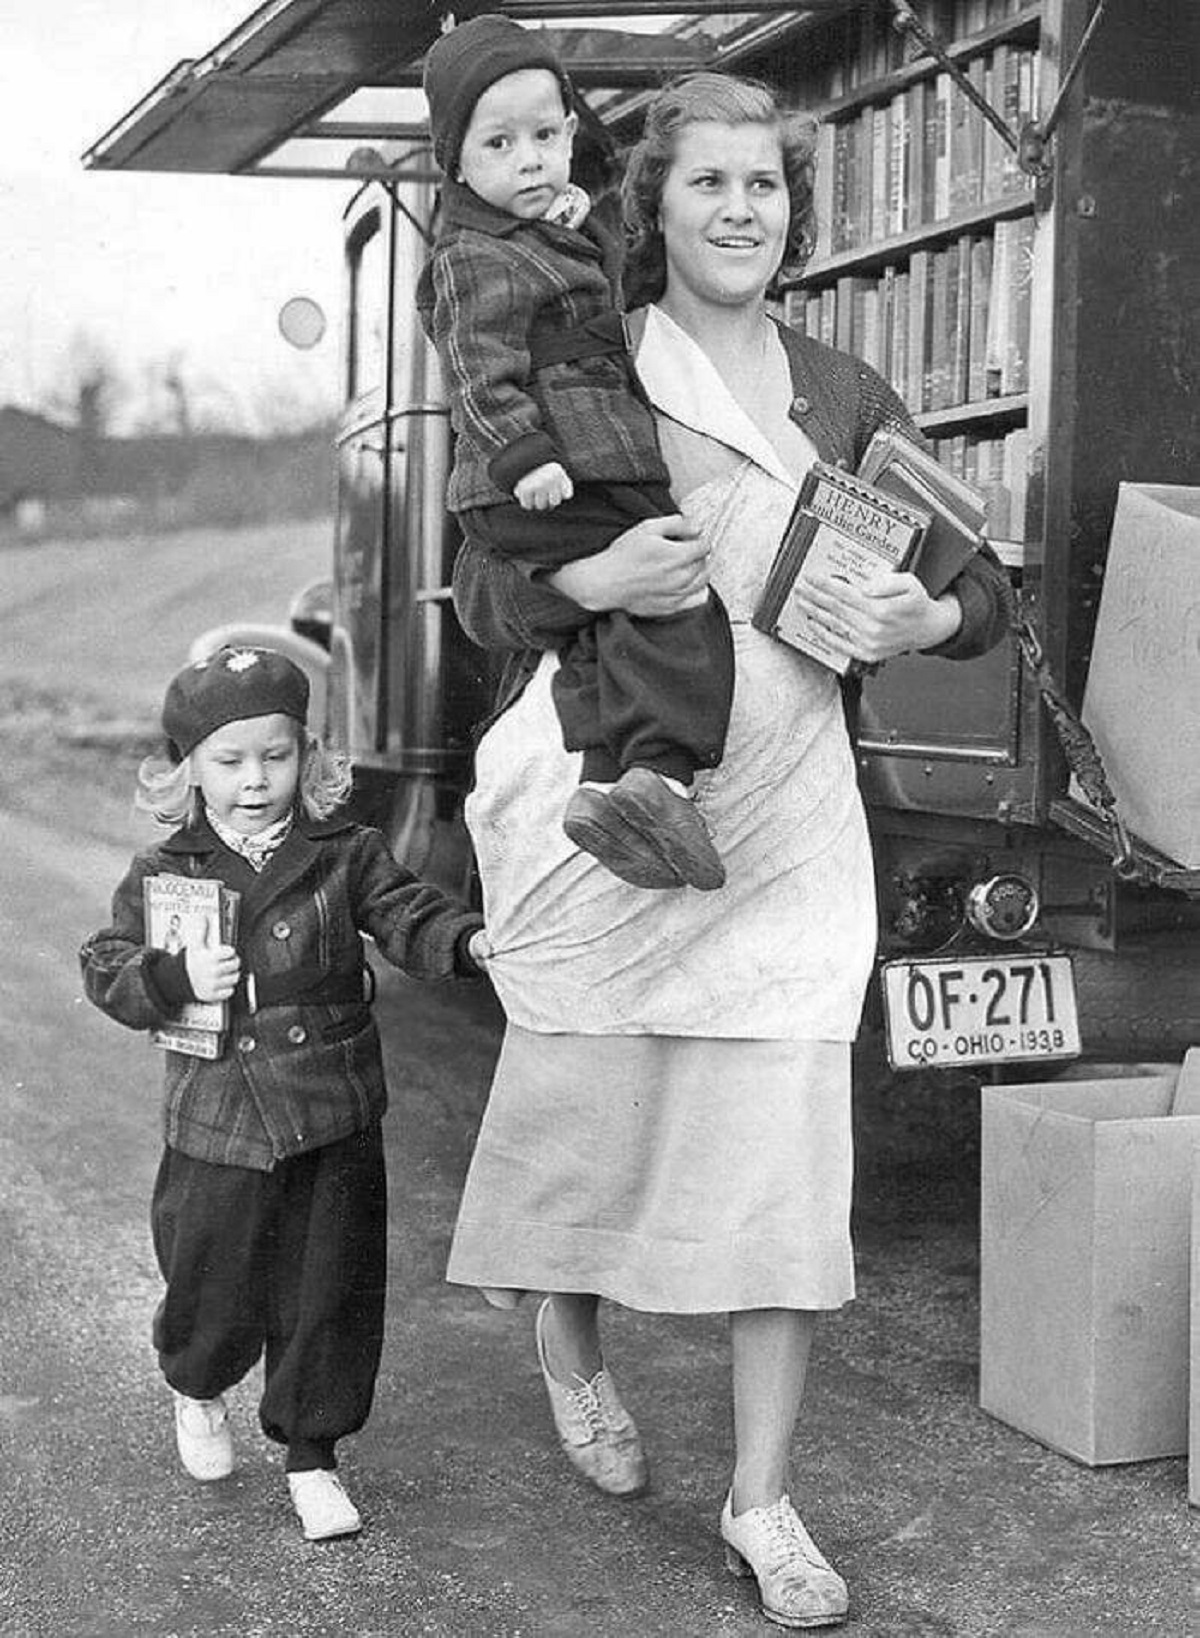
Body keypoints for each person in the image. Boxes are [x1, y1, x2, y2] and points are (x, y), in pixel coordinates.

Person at [446, 72, 1011, 1629]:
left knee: (781, 1172)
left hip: (787, 815)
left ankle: (762, 1496)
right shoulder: (586, 361)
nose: (741, 209)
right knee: (587, 1124)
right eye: (709, 184)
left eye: (765, 185)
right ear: (657, 207)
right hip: (613, 802)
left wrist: (929, 612)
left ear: (794, 214)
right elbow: (492, 592)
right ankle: (568, 1338)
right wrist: (597, 575)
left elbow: (990, 595)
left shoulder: (847, 395)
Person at [79, 645, 485, 1543]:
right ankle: (197, 1382)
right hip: (218, 1116)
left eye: (277, 755)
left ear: (309, 756)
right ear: (187, 770)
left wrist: (467, 944)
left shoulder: (347, 852)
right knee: (210, 1284)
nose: (255, 780)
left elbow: (408, 911)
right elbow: (105, 966)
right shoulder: (164, 868)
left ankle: (312, 1453)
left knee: (328, 1288)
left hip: (330, 1109)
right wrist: (173, 972)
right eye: (229, 762)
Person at [417, 13, 734, 892]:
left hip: (575, 464)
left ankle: (608, 787)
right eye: (501, 143)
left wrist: (573, 225)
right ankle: (658, 780)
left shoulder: (543, 235)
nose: (531, 159)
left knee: (620, 624)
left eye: (549, 136)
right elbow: (477, 371)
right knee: (679, 600)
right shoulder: (470, 256)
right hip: (555, 472)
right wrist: (523, 457)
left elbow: (602, 290)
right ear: (459, 163)